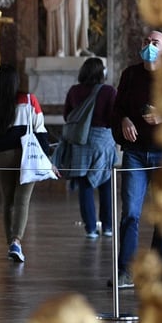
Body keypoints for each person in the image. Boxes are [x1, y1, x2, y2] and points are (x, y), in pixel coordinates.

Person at [110, 30, 162, 288]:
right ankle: (126, 270)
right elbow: (118, 108)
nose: (149, 45)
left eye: (155, 42)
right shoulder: (130, 75)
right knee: (131, 214)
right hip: (135, 153)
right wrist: (124, 119)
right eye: (146, 41)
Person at [0, 64, 54, 262]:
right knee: (22, 199)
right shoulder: (29, 100)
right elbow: (40, 131)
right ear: (16, 81)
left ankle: (10, 243)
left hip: (2, 157)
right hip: (27, 156)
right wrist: (47, 160)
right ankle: (16, 241)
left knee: (8, 201)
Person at [52, 57, 117, 239]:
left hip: (80, 142)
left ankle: (90, 228)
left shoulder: (74, 91)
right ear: (101, 73)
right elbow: (114, 117)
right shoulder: (109, 91)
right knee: (105, 185)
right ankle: (108, 227)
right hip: (102, 142)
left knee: (85, 185)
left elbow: (67, 116)